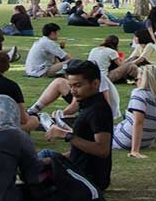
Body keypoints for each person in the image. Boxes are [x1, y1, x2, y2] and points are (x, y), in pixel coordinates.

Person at [39, 59, 113, 191]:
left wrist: (65, 135)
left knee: (38, 164)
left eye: (77, 86)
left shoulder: (98, 111)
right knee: (44, 157)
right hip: (79, 168)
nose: (72, 91)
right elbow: (81, 151)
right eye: (70, 85)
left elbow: (102, 150)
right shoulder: (88, 104)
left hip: (86, 178)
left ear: (95, 84)